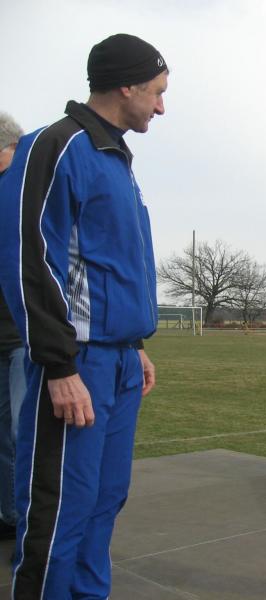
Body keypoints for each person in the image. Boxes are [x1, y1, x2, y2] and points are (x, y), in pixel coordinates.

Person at [0, 33, 167, 598]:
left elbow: (111, 265)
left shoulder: (116, 158)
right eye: (157, 92)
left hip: (119, 362)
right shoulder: (56, 146)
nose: (161, 107)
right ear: (126, 86)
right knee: (60, 509)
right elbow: (28, 259)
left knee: (105, 498)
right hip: (78, 364)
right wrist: (59, 365)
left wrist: (135, 345)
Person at [0, 112, 25, 541]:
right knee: (5, 434)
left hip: (25, 337)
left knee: (26, 433)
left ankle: (32, 524)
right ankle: (9, 516)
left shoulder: (26, 189)